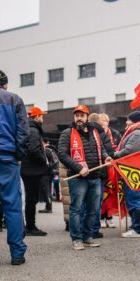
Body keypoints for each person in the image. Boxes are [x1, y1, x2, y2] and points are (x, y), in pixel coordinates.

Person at [58, 105, 112, 250]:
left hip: (95, 177)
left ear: (87, 117)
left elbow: (102, 150)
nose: (79, 118)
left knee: (93, 210)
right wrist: (79, 168)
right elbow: (62, 154)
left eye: (82, 115)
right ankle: (76, 239)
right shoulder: (67, 133)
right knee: (76, 209)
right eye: (77, 115)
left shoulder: (95, 132)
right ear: (74, 117)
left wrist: (106, 158)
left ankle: (88, 236)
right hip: (78, 178)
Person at [0, 70, 29, 265]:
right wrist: (17, 155)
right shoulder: (14, 99)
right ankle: (17, 254)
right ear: (5, 84)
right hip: (7, 158)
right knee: (12, 207)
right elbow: (23, 132)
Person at [113, 111, 140, 238]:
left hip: (133, 171)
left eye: (127, 120)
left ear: (132, 120)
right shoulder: (139, 130)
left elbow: (129, 150)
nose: (126, 123)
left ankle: (137, 228)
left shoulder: (136, 132)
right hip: (137, 170)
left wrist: (115, 154)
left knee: (134, 199)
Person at [21, 106, 48, 236]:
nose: (42, 118)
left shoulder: (29, 128)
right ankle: (30, 227)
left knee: (31, 199)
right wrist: (44, 160)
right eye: (41, 116)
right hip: (32, 170)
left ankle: (30, 226)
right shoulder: (33, 130)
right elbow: (33, 149)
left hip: (29, 169)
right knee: (31, 199)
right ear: (36, 117)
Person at [98, 113, 121, 228]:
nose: (103, 123)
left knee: (111, 193)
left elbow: (120, 148)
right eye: (100, 121)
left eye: (104, 121)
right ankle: (102, 217)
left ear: (108, 122)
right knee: (102, 194)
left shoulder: (115, 134)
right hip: (101, 168)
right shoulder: (96, 133)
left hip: (112, 168)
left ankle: (110, 217)